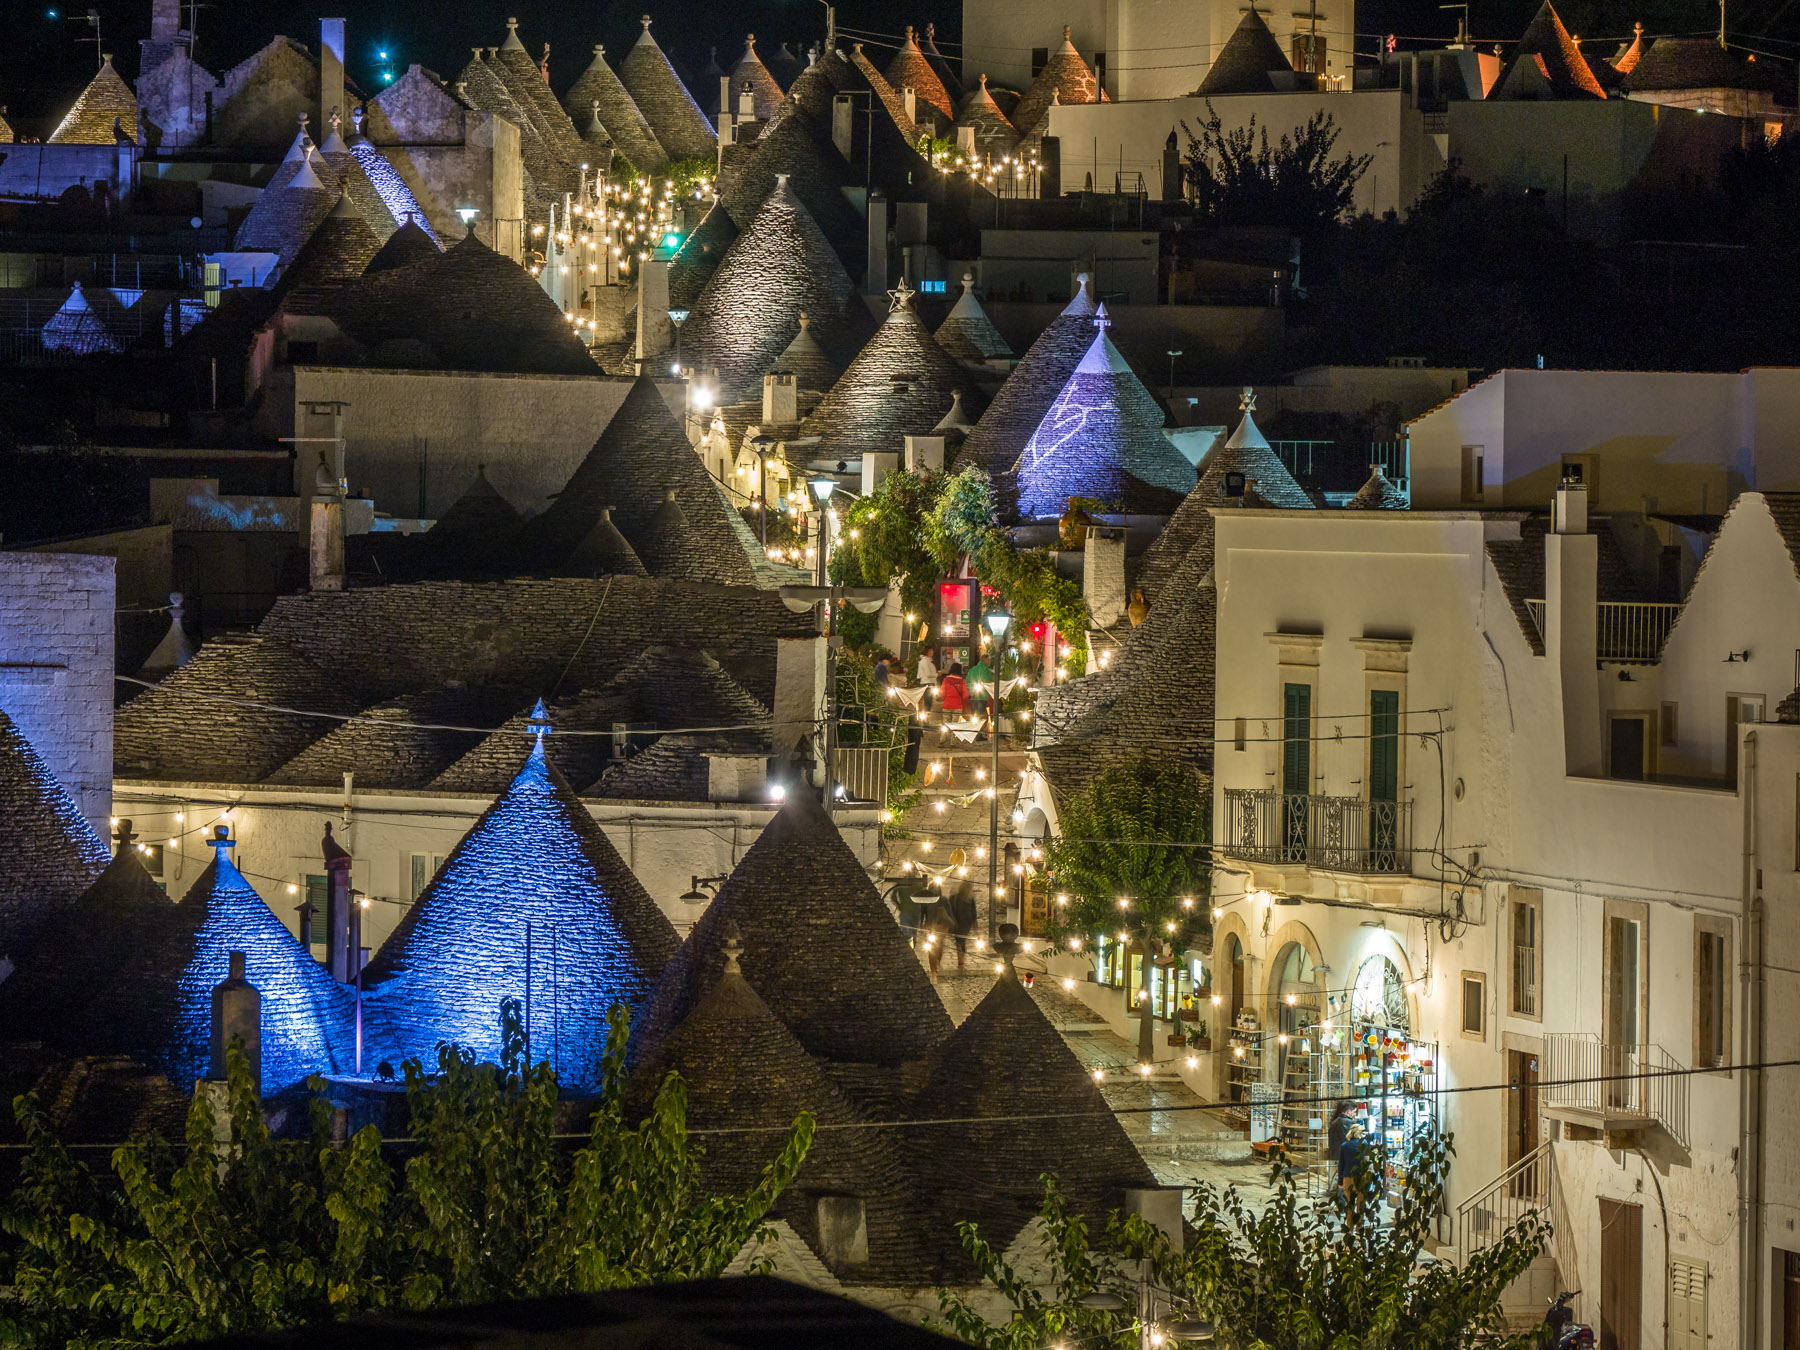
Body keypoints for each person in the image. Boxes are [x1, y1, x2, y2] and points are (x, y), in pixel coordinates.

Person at [1338, 1122, 1368, 1225]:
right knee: (1360, 1206)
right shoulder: (1364, 1145)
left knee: (1349, 1205)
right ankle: (1359, 1229)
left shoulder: (1344, 1146)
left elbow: (1341, 1165)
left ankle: (1349, 1229)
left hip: (1347, 1178)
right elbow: (1367, 1162)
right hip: (1361, 1178)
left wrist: (1340, 1181)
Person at [937, 661, 969, 744]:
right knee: (955, 724)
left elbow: (942, 693)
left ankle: (942, 739)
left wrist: (946, 698)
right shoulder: (962, 681)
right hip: (957, 705)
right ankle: (953, 742)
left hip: (947, 705)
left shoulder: (946, 680)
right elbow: (965, 695)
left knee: (945, 723)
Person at [966, 651, 994, 738]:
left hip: (973, 696)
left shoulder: (972, 669)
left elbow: (967, 681)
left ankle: (974, 733)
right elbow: (989, 680)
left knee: (974, 715)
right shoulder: (986, 670)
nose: (989, 662)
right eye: (988, 660)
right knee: (981, 715)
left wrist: (971, 691)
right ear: (985, 660)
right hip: (982, 696)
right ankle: (979, 735)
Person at [915, 646, 939, 711]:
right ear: (927, 652)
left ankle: (926, 715)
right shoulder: (925, 661)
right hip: (927, 684)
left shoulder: (928, 661)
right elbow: (928, 674)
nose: (932, 652)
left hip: (930, 684)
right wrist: (937, 674)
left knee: (929, 703)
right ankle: (925, 715)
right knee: (927, 704)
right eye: (931, 651)